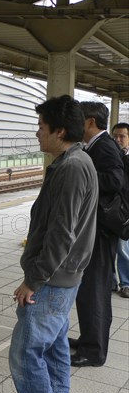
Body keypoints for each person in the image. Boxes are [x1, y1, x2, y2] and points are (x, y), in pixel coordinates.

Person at [8, 95, 98, 393]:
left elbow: (62, 235)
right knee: (56, 350)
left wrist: (33, 281)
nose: (37, 133)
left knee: (24, 355)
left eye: (41, 127)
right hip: (64, 278)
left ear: (59, 132)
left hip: (52, 282)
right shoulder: (73, 161)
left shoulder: (72, 168)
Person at [69, 102, 125, 367]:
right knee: (89, 289)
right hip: (97, 229)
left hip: (102, 232)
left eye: (79, 120)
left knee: (96, 290)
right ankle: (89, 339)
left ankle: (94, 351)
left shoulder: (104, 146)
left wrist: (84, 177)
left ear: (90, 122)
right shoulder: (97, 145)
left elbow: (115, 180)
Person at [111, 122, 129, 298]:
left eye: (122, 136)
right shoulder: (109, 155)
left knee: (123, 247)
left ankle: (126, 283)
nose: (117, 139)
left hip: (125, 211)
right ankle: (110, 281)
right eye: (115, 136)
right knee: (107, 247)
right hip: (109, 210)